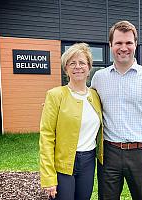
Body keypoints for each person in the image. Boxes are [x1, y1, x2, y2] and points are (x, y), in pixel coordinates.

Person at [91, 20, 142, 200]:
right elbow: (87, 107)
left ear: (135, 44)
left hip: (141, 154)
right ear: (110, 45)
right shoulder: (99, 78)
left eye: (129, 42)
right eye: (119, 43)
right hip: (109, 153)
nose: (124, 47)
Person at [39, 43, 103, 200]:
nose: (77, 67)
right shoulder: (55, 95)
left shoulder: (95, 96)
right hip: (64, 162)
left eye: (82, 62)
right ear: (66, 69)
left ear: (89, 68)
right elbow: (46, 136)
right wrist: (48, 177)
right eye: (72, 63)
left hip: (89, 160)